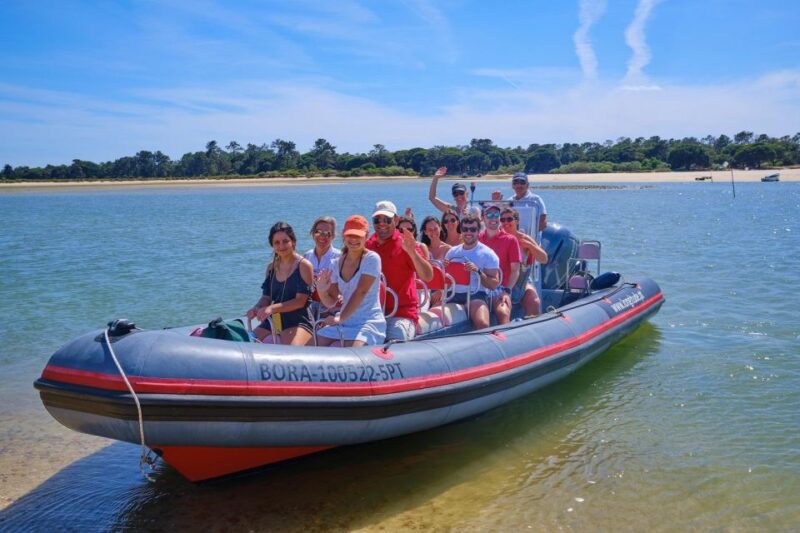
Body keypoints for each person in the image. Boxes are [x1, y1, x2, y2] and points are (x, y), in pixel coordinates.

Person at [366, 200, 434, 341]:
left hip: (401, 315)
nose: (382, 224)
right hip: (372, 313)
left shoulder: (405, 243)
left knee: (394, 342)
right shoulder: (368, 245)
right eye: (377, 220)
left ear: (396, 220)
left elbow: (428, 276)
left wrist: (412, 253)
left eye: (387, 219)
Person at [315, 215, 386, 347]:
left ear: (366, 236)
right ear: (343, 235)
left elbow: (361, 292)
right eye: (350, 235)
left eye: (358, 236)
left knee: (354, 350)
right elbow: (331, 301)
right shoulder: (335, 263)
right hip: (344, 321)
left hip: (368, 323)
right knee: (315, 343)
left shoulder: (372, 258)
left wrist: (340, 318)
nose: (353, 239)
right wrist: (321, 290)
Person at [246, 222, 314, 345]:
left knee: (289, 351)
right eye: (277, 242)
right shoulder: (271, 268)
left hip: (298, 320)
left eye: (285, 241)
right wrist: (257, 308)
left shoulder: (304, 265)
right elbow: (266, 297)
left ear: (293, 242)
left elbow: (300, 301)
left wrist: (272, 308)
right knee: (248, 342)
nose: (281, 246)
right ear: (272, 245)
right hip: (275, 320)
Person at [444, 214, 501, 331]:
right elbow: (446, 282)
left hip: (476, 295)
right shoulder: (451, 253)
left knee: (482, 324)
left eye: (473, 229)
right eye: (465, 229)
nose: (468, 232)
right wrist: (443, 270)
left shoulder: (488, 254)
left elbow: (493, 284)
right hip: (453, 295)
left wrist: (478, 271)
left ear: (478, 231)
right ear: (461, 230)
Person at [500, 207, 548, 316]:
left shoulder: (523, 238)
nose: (506, 222)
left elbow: (544, 259)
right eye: (502, 220)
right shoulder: (498, 238)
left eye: (509, 219)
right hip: (503, 280)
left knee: (534, 301)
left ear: (516, 221)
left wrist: (530, 246)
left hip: (521, 281)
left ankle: (533, 325)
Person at [478, 204, 521, 325]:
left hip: (500, 288)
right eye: (489, 215)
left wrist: (506, 291)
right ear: (483, 219)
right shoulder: (477, 238)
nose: (493, 218)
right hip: (479, 288)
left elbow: (515, 271)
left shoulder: (511, 240)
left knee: (503, 312)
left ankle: (506, 334)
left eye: (496, 214)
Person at [492, 172, 547, 236]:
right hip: (512, 239)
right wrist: (496, 203)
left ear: (527, 185)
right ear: (512, 186)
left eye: (522, 182)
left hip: (530, 239)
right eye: (515, 182)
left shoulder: (536, 200)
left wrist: (527, 235)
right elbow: (500, 221)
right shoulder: (509, 201)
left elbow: (543, 223)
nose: (519, 185)